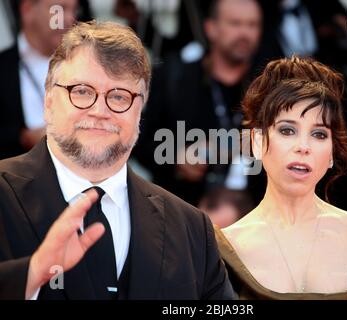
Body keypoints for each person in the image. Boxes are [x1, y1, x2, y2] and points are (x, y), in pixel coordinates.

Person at [0, 21, 234, 300]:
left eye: (119, 96)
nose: (100, 111)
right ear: (48, 101)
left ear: (140, 112)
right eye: (82, 91)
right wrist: (32, 274)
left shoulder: (192, 228)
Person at [214, 56, 347, 299]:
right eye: (287, 130)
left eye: (318, 134)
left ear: (331, 154)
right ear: (257, 142)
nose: (303, 146)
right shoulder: (227, 249)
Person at [134, 0, 262, 206]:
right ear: (211, 29)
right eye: (235, 23)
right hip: (182, 214)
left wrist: (235, 144)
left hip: (253, 218)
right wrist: (177, 158)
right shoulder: (176, 78)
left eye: (252, 25)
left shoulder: (268, 86)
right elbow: (138, 139)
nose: (244, 33)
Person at [0, 0, 79, 160]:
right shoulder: (3, 68)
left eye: (74, 10)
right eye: (60, 9)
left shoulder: (87, 65)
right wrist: (23, 138)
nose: (70, 18)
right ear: (27, 10)